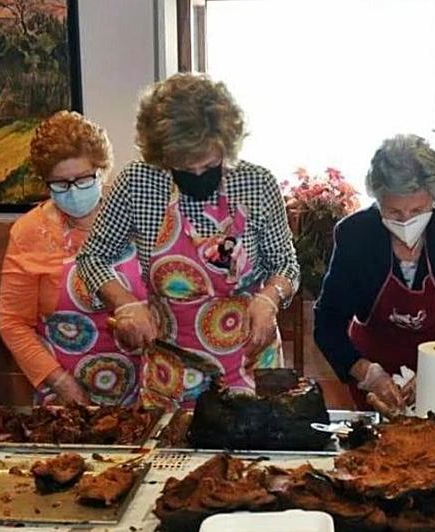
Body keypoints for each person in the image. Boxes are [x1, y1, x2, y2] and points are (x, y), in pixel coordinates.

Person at [77, 73, 299, 409]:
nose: (198, 176)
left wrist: (269, 299)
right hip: (171, 369)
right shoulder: (137, 183)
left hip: (251, 362)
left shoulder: (257, 183)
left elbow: (286, 263)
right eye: (184, 168)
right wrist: (124, 303)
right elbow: (92, 257)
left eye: (209, 165)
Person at [314, 134, 435, 411]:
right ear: (377, 200)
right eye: (393, 212)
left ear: (434, 199)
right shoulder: (355, 234)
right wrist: (366, 372)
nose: (405, 221)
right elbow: (327, 322)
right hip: (377, 376)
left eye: (417, 210)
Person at [0, 111, 147, 405]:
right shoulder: (29, 232)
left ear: (102, 169)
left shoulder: (138, 218)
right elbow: (13, 323)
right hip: (65, 390)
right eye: (60, 184)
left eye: (82, 179)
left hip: (146, 385)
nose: (73, 191)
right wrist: (62, 384)